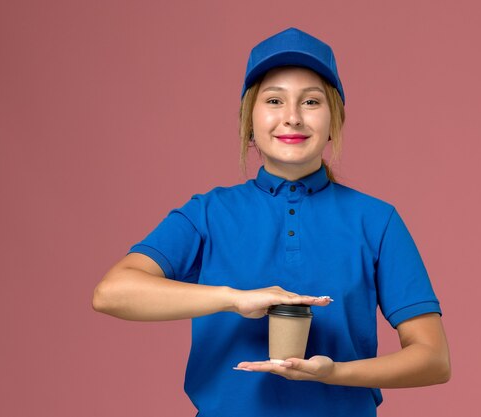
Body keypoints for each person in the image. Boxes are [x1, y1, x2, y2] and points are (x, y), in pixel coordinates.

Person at [93, 27, 450, 417]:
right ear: (250, 119)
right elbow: (112, 293)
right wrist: (236, 299)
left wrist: (334, 373)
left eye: (311, 102)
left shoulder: (376, 220)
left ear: (335, 120)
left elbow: (433, 358)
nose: (292, 117)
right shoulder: (209, 213)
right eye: (275, 100)